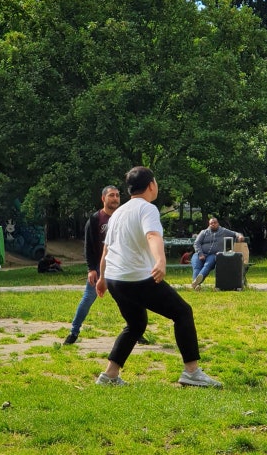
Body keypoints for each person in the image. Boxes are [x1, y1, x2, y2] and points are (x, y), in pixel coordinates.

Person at [95, 166, 222, 388]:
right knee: (182, 312)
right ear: (151, 185)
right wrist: (160, 261)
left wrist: (102, 277)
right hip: (135, 279)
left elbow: (106, 250)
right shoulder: (147, 209)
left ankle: (110, 375)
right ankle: (191, 372)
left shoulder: (118, 213)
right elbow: (153, 235)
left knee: (136, 324)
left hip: (116, 279)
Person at [63, 185, 121, 345]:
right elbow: (88, 246)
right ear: (103, 198)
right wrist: (91, 269)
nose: (115, 198)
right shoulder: (95, 219)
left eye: (117, 195)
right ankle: (73, 332)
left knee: (131, 300)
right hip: (99, 267)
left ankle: (137, 331)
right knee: (88, 298)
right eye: (111, 195)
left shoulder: (123, 217)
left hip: (120, 267)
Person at [191, 217, 244, 289]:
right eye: (211, 223)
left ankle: (196, 283)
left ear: (218, 223)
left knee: (207, 265)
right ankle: (196, 285)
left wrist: (240, 236)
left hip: (212, 255)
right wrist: (200, 254)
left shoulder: (223, 231)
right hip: (199, 254)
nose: (213, 224)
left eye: (214, 223)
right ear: (209, 225)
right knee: (197, 267)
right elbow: (197, 243)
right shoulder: (204, 232)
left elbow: (235, 233)